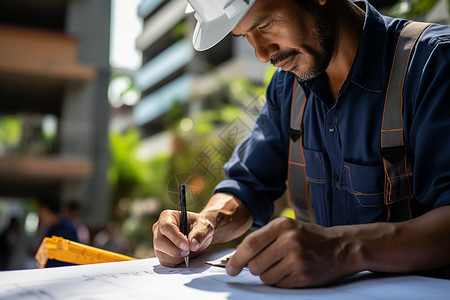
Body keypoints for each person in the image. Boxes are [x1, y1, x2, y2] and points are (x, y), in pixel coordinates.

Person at [153, 0, 450, 288]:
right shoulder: (287, 89)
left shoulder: (432, 65)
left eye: (265, 25)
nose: (260, 53)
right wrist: (207, 223)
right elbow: (248, 185)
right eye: (245, 37)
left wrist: (343, 249)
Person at [38, 194, 79, 267]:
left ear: (47, 209)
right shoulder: (51, 228)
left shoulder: (67, 230)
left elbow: (69, 259)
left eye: (40, 210)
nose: (39, 214)